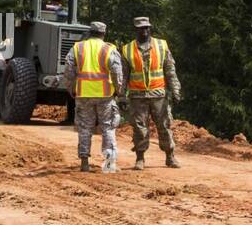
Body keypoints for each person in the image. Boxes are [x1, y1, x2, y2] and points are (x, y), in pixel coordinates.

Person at [119, 16, 180, 169]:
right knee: (139, 128)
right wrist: (121, 96)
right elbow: (123, 75)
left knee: (164, 126)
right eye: (141, 28)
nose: (144, 30)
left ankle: (170, 156)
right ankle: (140, 158)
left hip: (159, 95)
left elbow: (170, 71)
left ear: (150, 28)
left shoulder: (161, 45)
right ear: (136, 30)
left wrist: (176, 91)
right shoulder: (127, 49)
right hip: (137, 96)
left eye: (146, 27)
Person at [63, 21, 124, 173]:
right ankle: (109, 165)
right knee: (108, 128)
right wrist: (119, 90)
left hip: (83, 94)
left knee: (84, 128)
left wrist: (70, 88)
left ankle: (84, 162)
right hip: (105, 95)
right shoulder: (109, 49)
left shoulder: (77, 48)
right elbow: (117, 72)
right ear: (103, 34)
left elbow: (69, 69)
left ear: (90, 32)